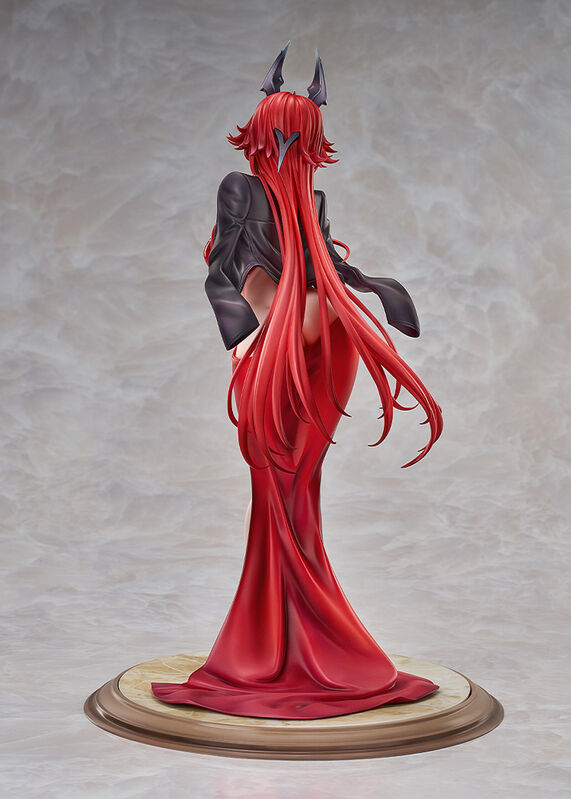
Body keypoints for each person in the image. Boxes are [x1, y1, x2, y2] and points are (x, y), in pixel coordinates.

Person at [151, 44, 443, 719]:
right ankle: (286, 646)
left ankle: (296, 646)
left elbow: (320, 288)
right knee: (279, 500)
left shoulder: (311, 200)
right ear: (263, 134)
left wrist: (344, 292)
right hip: (281, 353)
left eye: (298, 137)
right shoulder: (241, 190)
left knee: (297, 497)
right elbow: (245, 279)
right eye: (281, 135)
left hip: (319, 355)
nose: (287, 148)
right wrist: (285, 313)